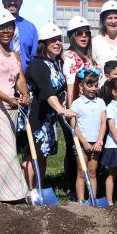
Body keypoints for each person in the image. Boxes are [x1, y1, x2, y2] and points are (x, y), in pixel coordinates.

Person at [0, 9, 30, 203]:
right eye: (1, 28)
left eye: (9, 27)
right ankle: (15, 194)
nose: (6, 31)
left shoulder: (15, 55)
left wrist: (25, 94)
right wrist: (7, 99)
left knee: (1, 153)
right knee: (7, 151)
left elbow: (20, 80)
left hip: (12, 109)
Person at [24, 22, 75, 194]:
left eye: (59, 40)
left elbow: (60, 89)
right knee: (32, 156)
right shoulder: (38, 64)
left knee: (43, 155)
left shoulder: (55, 63)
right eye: (52, 40)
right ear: (43, 44)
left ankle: (38, 189)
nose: (57, 43)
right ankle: (28, 191)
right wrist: (60, 109)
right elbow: (46, 90)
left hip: (48, 117)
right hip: (35, 117)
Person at [70, 68, 106, 203]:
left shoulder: (101, 102)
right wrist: (84, 142)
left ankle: (93, 199)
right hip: (81, 143)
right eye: (89, 85)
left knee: (92, 172)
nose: (92, 89)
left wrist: (99, 141)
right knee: (81, 171)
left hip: (96, 143)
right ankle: (81, 200)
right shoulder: (77, 104)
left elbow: (103, 124)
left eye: (95, 86)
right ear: (81, 86)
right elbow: (74, 125)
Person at [61, 16, 97, 106]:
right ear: (72, 36)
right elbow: (70, 87)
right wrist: (71, 112)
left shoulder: (89, 57)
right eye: (79, 33)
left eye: (87, 33)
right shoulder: (70, 56)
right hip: (78, 107)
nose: (84, 35)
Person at [91, 0, 117, 70]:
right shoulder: (95, 42)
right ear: (103, 20)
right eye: (110, 18)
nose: (113, 21)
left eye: (116, 18)